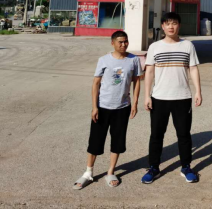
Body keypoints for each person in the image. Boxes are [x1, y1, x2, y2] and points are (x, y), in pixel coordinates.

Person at [73, 30, 142, 189]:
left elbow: (137, 81)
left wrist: (135, 103)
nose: (123, 44)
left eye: (125, 41)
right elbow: (96, 83)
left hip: (122, 107)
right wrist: (94, 107)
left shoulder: (133, 60)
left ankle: (110, 172)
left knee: (118, 140)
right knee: (95, 140)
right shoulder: (104, 60)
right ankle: (88, 173)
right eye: (120, 42)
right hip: (103, 107)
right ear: (112, 43)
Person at [141, 12, 202, 184]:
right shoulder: (155, 47)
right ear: (162, 26)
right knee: (156, 135)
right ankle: (153, 167)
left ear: (179, 26)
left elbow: (193, 69)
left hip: (182, 97)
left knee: (184, 135)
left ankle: (186, 167)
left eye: (174, 23)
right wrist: (147, 96)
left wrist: (198, 91)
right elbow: (149, 72)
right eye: (167, 23)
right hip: (159, 97)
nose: (171, 26)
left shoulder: (187, 45)